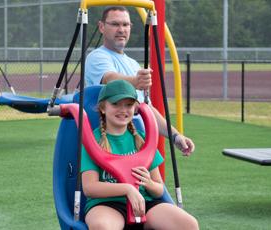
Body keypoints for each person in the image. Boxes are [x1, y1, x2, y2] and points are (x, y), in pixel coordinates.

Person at [81, 79, 199, 230]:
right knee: (102, 226)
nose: (123, 110)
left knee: (188, 224)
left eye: (128, 105)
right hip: (107, 204)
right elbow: (90, 188)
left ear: (136, 108)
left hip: (145, 203)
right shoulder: (92, 141)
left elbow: (159, 189)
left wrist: (148, 183)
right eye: (116, 104)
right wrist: (128, 189)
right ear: (103, 108)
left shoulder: (142, 140)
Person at [85, 6, 195, 155]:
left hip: (135, 142)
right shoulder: (97, 57)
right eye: (115, 24)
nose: (121, 30)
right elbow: (109, 79)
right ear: (102, 27)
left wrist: (175, 136)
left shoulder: (133, 64)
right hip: (109, 143)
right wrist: (135, 81)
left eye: (125, 25)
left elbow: (146, 108)